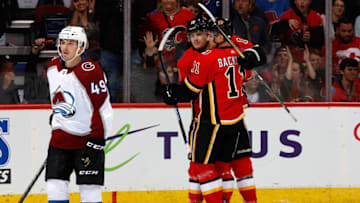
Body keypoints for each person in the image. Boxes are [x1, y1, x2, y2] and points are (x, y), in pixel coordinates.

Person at [164, 18, 266, 203]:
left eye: (205, 34)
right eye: (194, 35)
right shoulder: (235, 52)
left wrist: (173, 93)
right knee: (219, 165)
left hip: (210, 120)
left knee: (203, 165)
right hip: (233, 117)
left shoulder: (206, 57)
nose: (202, 38)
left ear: (218, 35)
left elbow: (189, 89)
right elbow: (246, 72)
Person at [45, 26, 113, 203]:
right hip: (60, 140)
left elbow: (101, 106)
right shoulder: (52, 68)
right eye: (63, 42)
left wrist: (97, 139)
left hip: (87, 141)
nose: (65, 47)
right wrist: (58, 116)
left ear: (82, 47)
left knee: (89, 191)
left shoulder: (90, 71)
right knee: (54, 187)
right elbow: (61, 97)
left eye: (71, 43)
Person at [141, 0, 195, 100]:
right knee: (164, 94)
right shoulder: (153, 18)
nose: (168, 1)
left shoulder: (188, 14)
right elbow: (148, 44)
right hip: (163, 62)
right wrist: (150, 49)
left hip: (183, 63)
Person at [325, 18, 360, 82]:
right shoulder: (330, 46)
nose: (347, 34)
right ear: (337, 30)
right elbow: (323, 67)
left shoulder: (359, 42)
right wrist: (333, 70)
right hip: (338, 80)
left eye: (349, 31)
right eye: (344, 31)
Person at [23, 38, 52, 104]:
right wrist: (35, 51)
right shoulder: (34, 85)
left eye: (50, 69)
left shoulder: (63, 86)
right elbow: (30, 69)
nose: (45, 72)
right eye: (45, 68)